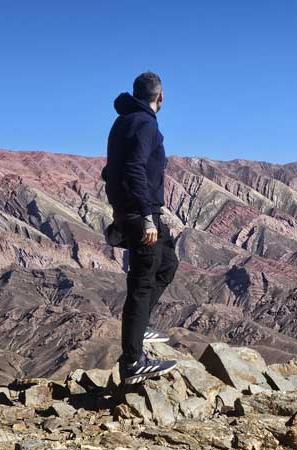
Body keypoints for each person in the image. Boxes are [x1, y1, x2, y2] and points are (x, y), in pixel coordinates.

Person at [100, 71, 179, 384]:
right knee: (141, 283)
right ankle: (133, 361)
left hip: (134, 211)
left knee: (168, 262)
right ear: (160, 97)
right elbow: (133, 168)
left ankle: (140, 324)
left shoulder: (123, 122)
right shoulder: (145, 124)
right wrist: (145, 215)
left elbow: (112, 170)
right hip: (141, 214)